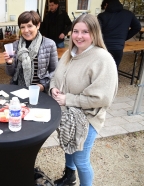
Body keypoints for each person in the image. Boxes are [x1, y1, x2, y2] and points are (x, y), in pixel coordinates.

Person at [50, 14, 118, 186]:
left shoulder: (103, 59)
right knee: (68, 148)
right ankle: (69, 177)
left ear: (94, 33)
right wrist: (53, 88)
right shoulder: (68, 54)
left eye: (85, 32)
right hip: (67, 115)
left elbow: (102, 98)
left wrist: (67, 99)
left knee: (81, 160)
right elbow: (56, 77)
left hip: (88, 118)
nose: (79, 36)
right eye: (75, 31)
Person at [3, 10, 58, 93]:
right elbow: (11, 74)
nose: (26, 30)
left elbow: (55, 71)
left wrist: (43, 85)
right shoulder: (15, 45)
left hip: (39, 92)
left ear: (38, 25)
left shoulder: (49, 44)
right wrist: (9, 63)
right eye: (22, 27)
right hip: (18, 90)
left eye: (29, 26)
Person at [97, 0, 141, 67]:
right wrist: (124, 37)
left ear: (106, 4)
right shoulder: (128, 14)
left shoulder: (102, 16)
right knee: (114, 70)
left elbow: (97, 32)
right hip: (118, 48)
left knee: (101, 69)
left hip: (103, 46)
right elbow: (137, 27)